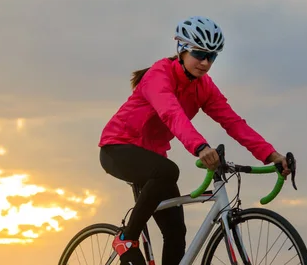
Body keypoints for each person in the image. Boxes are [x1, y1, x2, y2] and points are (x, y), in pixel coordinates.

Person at [98, 16, 291, 265]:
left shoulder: (204, 87)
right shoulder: (160, 75)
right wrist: (200, 147)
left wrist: (271, 155)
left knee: (177, 233)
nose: (205, 62)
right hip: (119, 147)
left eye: (212, 56)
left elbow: (234, 123)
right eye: (199, 54)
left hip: (153, 159)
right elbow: (172, 113)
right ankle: (126, 239)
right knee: (169, 171)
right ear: (182, 49)